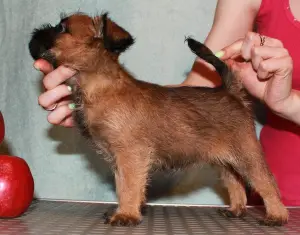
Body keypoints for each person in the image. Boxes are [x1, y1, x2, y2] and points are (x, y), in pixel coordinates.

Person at [34, 0, 300, 205]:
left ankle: (130, 208)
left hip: (279, 200)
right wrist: (89, 97)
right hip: (265, 206)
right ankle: (240, 202)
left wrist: (288, 103)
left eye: (63, 29)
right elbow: (193, 93)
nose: (55, 32)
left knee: (237, 158)